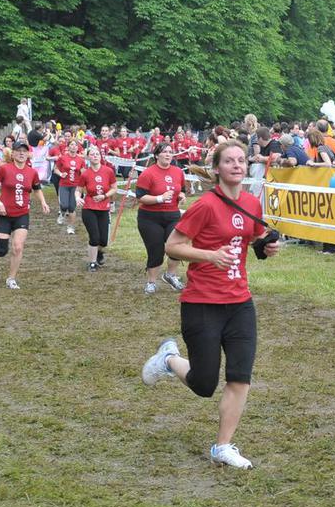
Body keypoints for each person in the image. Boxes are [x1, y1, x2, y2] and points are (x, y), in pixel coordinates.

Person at [141, 140, 281, 469]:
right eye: (229, 161)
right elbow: (172, 246)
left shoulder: (251, 202)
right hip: (202, 302)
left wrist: (266, 248)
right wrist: (210, 256)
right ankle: (169, 359)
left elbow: (252, 238)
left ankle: (223, 446)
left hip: (240, 303)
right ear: (216, 168)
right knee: (204, 384)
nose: (237, 165)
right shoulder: (205, 205)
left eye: (241, 160)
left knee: (240, 376)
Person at [0, 141, 50, 289]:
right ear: (12, 154)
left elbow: (37, 189)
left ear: (28, 154)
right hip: (4, 213)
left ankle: (11, 278)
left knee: (18, 247)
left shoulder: (32, 172)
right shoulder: (4, 169)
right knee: (2, 251)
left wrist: (43, 202)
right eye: (18, 151)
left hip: (22, 214)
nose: (21, 153)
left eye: (24, 151)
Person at [136, 142, 187, 293]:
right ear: (157, 155)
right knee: (156, 251)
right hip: (150, 218)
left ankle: (170, 275)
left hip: (172, 215)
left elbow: (182, 189)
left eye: (170, 152)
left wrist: (182, 196)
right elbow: (140, 197)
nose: (168, 154)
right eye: (165, 152)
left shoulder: (178, 172)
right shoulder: (148, 173)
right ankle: (151, 282)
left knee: (177, 247)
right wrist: (160, 198)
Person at [76, 146, 118, 272]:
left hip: (104, 208)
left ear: (100, 156)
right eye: (92, 154)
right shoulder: (85, 173)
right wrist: (77, 198)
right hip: (89, 208)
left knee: (103, 241)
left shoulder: (108, 171)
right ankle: (92, 263)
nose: (95, 156)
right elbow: (78, 190)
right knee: (94, 237)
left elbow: (114, 188)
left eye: (97, 154)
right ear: (88, 157)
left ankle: (99, 253)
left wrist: (105, 196)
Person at [54, 139, 85, 235]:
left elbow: (83, 173)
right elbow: (55, 169)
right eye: (71, 144)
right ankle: (62, 214)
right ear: (68, 147)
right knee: (64, 205)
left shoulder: (81, 160)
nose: (74, 146)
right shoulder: (62, 158)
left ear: (78, 147)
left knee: (72, 208)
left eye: (75, 145)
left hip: (75, 187)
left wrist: (84, 181)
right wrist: (60, 174)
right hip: (64, 185)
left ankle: (71, 227)